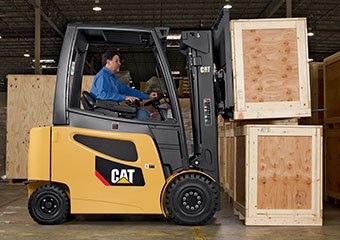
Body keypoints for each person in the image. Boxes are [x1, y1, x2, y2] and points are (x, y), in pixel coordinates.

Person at [90, 50, 157, 120]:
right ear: (108, 62)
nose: (119, 63)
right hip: (106, 111)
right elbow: (102, 95)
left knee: (142, 112)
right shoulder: (102, 76)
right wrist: (124, 97)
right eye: (116, 61)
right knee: (142, 114)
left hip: (111, 109)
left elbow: (127, 90)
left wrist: (148, 96)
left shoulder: (112, 78)